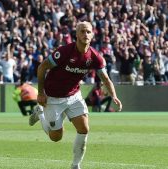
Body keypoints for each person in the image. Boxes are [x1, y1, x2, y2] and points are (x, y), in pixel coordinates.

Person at [29, 21, 122, 169]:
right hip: (53, 97)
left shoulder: (95, 57)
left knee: (84, 128)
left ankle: (75, 165)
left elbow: (105, 78)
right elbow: (42, 68)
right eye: (82, 31)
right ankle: (40, 113)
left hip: (74, 96)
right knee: (56, 137)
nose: (86, 34)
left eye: (88, 32)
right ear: (77, 34)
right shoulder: (64, 52)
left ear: (92, 35)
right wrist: (40, 92)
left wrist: (114, 95)